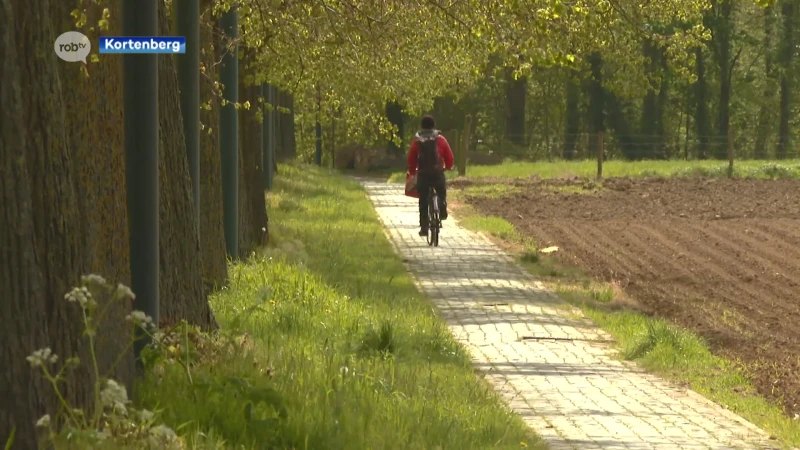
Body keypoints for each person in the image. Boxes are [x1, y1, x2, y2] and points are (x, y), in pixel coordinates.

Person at [407, 115, 454, 236]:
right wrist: (447, 167)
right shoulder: (441, 139)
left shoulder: (417, 141)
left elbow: (411, 159)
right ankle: (442, 208)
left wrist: (412, 172)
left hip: (423, 175)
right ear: (434, 126)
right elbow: (449, 157)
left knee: (423, 200)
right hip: (437, 174)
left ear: (422, 126)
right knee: (441, 192)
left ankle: (424, 227)